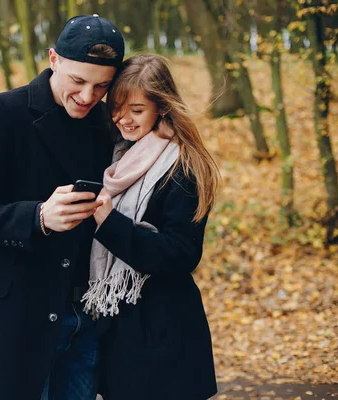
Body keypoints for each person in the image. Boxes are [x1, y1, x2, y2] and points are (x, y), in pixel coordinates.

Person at [0, 15, 125, 400]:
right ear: (53, 59)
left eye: (102, 87)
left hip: (88, 313)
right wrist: (38, 216)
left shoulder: (111, 124)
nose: (88, 96)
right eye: (78, 81)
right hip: (19, 311)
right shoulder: (3, 113)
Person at [82, 54, 220, 399]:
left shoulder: (181, 165)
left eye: (137, 110)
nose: (123, 119)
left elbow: (182, 254)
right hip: (121, 330)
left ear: (161, 107)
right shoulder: (118, 157)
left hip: (163, 334)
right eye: (116, 107)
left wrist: (110, 222)